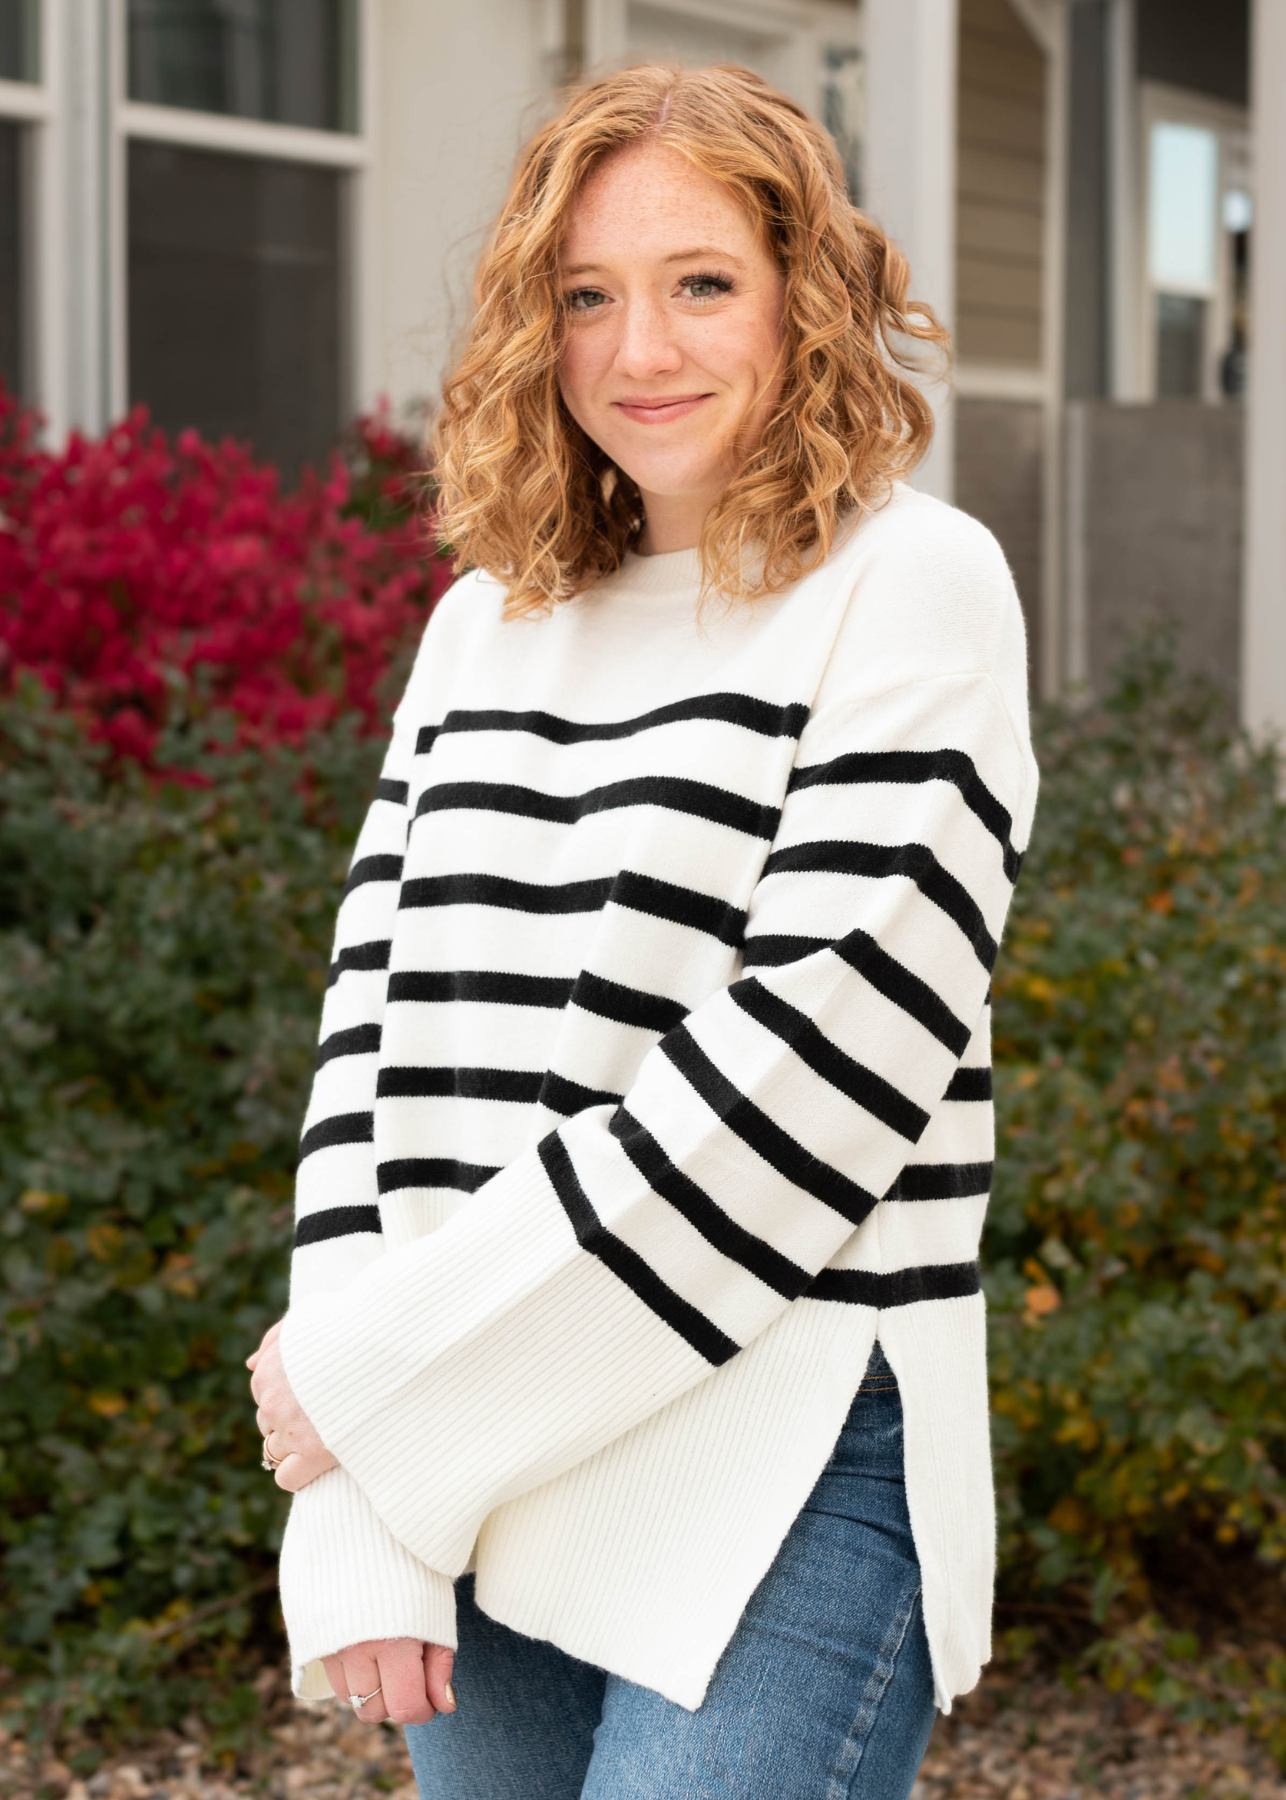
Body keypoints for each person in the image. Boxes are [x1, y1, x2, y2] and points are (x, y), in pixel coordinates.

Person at [247, 61, 1038, 1800]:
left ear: (801, 298)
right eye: (586, 295)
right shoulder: (483, 626)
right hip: (482, 1454)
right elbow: (370, 1055)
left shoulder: (912, 584)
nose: (640, 350)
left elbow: (808, 1079)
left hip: (785, 1439)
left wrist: (377, 1380)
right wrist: (363, 1501)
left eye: (700, 284)